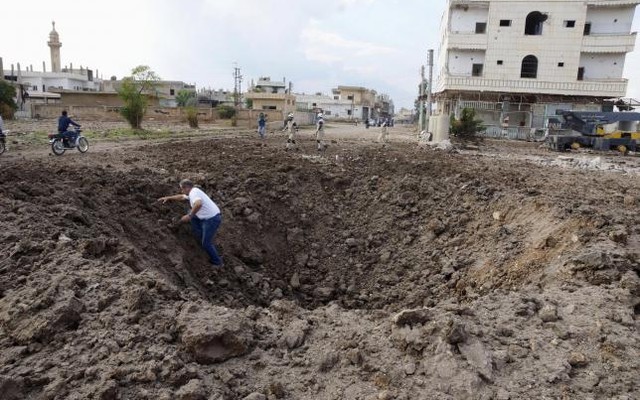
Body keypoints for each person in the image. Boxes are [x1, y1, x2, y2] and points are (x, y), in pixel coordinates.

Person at [158, 179, 223, 266]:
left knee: (206, 243)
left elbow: (198, 204)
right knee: (193, 218)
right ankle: (198, 236)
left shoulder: (194, 193)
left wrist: (190, 215)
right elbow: (181, 197)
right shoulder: (193, 192)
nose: (182, 191)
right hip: (206, 215)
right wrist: (168, 198)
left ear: (187, 187)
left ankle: (217, 262)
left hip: (212, 219)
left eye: (182, 189)